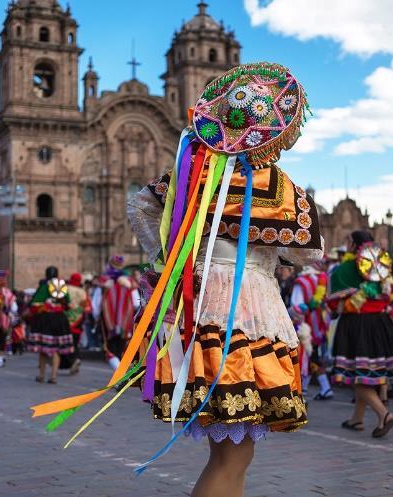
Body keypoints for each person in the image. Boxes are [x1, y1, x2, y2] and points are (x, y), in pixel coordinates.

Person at [32, 62, 323, 496]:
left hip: (199, 306)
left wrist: (173, 255)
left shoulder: (191, 174)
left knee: (233, 449)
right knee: (234, 451)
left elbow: (140, 207)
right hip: (244, 311)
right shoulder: (278, 186)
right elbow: (310, 253)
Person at [330, 230, 393, 437]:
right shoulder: (384, 268)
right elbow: (390, 296)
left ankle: (384, 414)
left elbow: (334, 304)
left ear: (353, 245)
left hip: (357, 325)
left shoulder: (343, 269)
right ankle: (357, 419)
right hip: (381, 324)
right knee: (365, 372)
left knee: (358, 376)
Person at [290, 260, 332, 400]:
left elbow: (297, 307)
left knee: (305, 357)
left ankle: (319, 388)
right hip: (318, 326)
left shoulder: (302, 281)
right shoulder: (321, 279)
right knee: (311, 356)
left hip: (304, 327)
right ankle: (310, 387)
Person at [28, 266, 73, 384]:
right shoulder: (62, 286)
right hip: (60, 319)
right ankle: (53, 376)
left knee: (43, 349)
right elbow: (68, 303)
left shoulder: (44, 286)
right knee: (56, 349)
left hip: (45, 319)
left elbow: (35, 303)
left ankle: (41, 375)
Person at [100, 256, 135, 372]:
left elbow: (96, 303)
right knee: (121, 348)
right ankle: (120, 375)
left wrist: (96, 317)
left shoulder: (104, 280)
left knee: (109, 349)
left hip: (108, 320)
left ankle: (118, 376)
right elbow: (135, 303)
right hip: (125, 321)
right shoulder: (129, 281)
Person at [64, 272, 90, 375]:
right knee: (75, 342)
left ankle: (71, 361)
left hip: (65, 319)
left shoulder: (65, 289)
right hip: (78, 320)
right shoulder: (82, 292)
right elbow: (87, 308)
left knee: (66, 343)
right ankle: (76, 358)